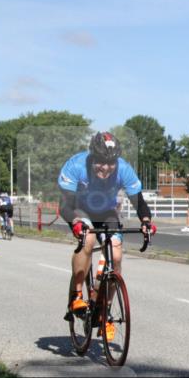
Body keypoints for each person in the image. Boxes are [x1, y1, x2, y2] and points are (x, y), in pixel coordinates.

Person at [58, 132, 156, 320]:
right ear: (92, 157)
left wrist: (145, 222)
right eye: (100, 162)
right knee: (88, 239)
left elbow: (139, 202)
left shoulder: (124, 169)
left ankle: (105, 309)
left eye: (111, 163)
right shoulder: (77, 165)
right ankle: (76, 296)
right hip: (79, 209)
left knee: (116, 255)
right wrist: (75, 222)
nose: (105, 167)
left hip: (106, 212)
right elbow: (64, 205)